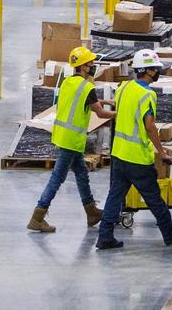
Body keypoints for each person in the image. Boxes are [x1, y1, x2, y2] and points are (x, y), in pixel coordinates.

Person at [28, 46, 117, 233]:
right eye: (90, 63)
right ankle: (37, 216)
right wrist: (122, 113)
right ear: (83, 67)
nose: (93, 66)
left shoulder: (68, 82)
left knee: (82, 174)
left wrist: (106, 102)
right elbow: (100, 113)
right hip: (72, 140)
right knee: (57, 178)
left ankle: (91, 212)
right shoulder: (87, 87)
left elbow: (86, 102)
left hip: (63, 136)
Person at [95, 48, 172, 250]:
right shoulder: (147, 94)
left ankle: (104, 236)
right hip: (137, 158)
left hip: (119, 154)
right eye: (156, 69)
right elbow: (150, 126)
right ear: (148, 71)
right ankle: (170, 235)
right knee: (154, 198)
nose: (158, 72)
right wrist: (161, 152)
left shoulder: (124, 87)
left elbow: (122, 110)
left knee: (115, 197)